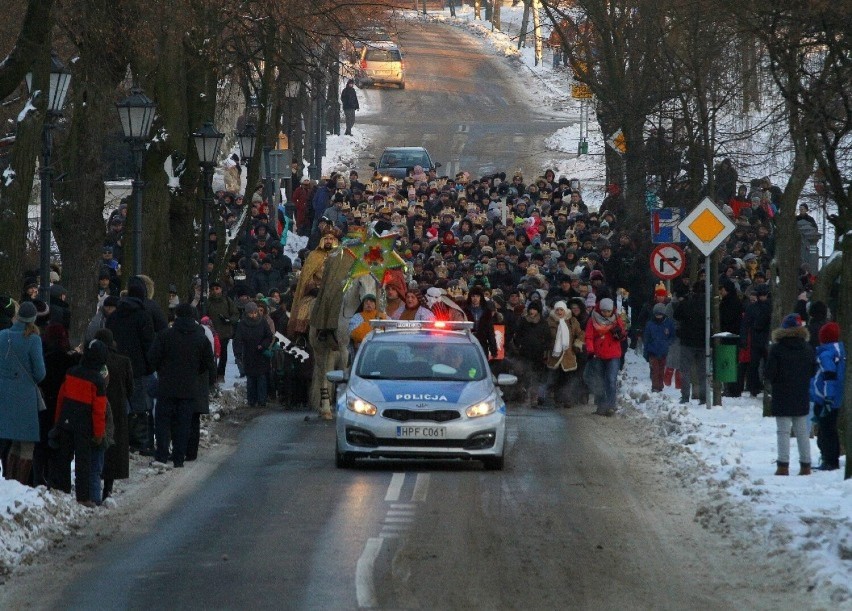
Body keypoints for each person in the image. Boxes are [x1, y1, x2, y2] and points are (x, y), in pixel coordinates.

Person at [147, 304, 216, 469]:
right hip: (189, 387)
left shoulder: (165, 335)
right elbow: (208, 362)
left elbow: (152, 359)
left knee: (163, 422)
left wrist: (162, 370)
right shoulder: (200, 338)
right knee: (184, 424)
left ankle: (162, 455)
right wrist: (194, 372)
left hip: (167, 386)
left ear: (176, 316)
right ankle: (179, 458)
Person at [52, 339, 108, 507]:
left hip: (66, 422)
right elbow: (99, 411)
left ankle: (62, 491)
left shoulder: (71, 372)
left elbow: (61, 399)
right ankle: (83, 497)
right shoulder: (98, 381)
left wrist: (58, 422)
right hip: (84, 427)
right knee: (83, 462)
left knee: (63, 459)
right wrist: (99, 434)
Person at [0, 302, 47, 485]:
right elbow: (40, 373)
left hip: (4, 394)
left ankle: (9, 482)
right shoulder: (33, 339)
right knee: (26, 443)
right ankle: (20, 485)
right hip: (25, 396)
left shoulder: (3, 335)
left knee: (13, 442)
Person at [765, 314, 815, 476]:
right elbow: (813, 370)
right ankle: (806, 465)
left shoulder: (777, 348)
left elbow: (769, 373)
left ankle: (783, 465)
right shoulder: (807, 348)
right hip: (801, 393)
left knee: (783, 431)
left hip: (782, 393)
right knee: (802, 432)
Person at [93, 328, 133, 502]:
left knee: (96, 445)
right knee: (114, 448)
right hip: (117, 411)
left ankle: (94, 485)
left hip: (96, 408)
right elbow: (130, 389)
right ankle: (108, 488)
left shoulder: (92, 361)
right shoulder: (123, 361)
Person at [810, 322, 845, 471]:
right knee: (829, 430)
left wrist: (827, 398)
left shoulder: (826, 354)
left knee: (825, 431)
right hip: (834, 398)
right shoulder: (840, 351)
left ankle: (829, 460)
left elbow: (829, 377)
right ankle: (831, 458)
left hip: (825, 399)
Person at [584, 297, 625, 416]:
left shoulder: (617, 319)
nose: (606, 314)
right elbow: (589, 336)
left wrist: (620, 334)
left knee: (611, 380)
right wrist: (591, 350)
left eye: (608, 311)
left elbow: (623, 334)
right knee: (599, 381)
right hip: (598, 354)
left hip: (613, 354)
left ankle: (611, 405)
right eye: (604, 311)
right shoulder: (593, 320)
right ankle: (601, 405)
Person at [233, 301, 274, 408]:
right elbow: (237, 340)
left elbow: (269, 336)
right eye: (251, 313)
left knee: (261, 378)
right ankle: (252, 400)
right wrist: (238, 354)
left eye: (255, 313)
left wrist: (263, 345)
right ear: (246, 314)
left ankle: (262, 400)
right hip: (248, 354)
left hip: (260, 354)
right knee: (251, 379)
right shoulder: (242, 324)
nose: (254, 315)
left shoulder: (263, 322)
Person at [543, 301, 583, 408]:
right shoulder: (549, 321)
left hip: (568, 355)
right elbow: (544, 336)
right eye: (557, 310)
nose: (559, 312)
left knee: (568, 379)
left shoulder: (572, 321)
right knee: (555, 378)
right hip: (554, 355)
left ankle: (567, 398)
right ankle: (556, 398)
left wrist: (577, 344)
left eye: (561, 310)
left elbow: (580, 334)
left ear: (565, 310)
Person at [643, 303, 676, 392]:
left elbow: (672, 336)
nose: (658, 316)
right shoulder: (650, 324)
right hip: (652, 351)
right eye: (657, 314)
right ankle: (655, 387)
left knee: (661, 369)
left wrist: (668, 343)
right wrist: (646, 352)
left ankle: (660, 386)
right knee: (655, 370)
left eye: (660, 314)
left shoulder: (668, 323)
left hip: (663, 351)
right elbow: (646, 338)